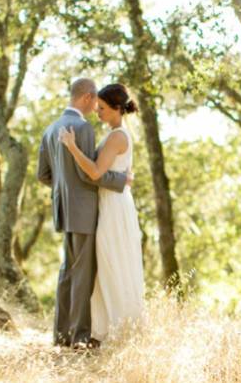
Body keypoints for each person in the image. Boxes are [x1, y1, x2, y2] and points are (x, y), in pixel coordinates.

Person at [36, 78, 131, 349]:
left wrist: (65, 189)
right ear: (88, 97)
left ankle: (61, 334)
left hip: (64, 210)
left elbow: (43, 175)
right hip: (85, 211)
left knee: (68, 271)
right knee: (82, 274)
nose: (97, 109)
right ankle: (79, 336)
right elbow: (90, 173)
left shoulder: (50, 128)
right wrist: (120, 180)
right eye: (96, 103)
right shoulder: (82, 128)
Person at [59, 83, 145, 343]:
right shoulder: (115, 133)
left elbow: (95, 172)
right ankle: (108, 327)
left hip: (114, 208)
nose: (98, 113)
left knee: (112, 262)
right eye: (98, 108)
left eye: (103, 109)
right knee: (109, 263)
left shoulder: (118, 135)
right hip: (110, 202)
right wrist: (120, 179)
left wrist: (73, 148)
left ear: (118, 109)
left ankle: (120, 330)